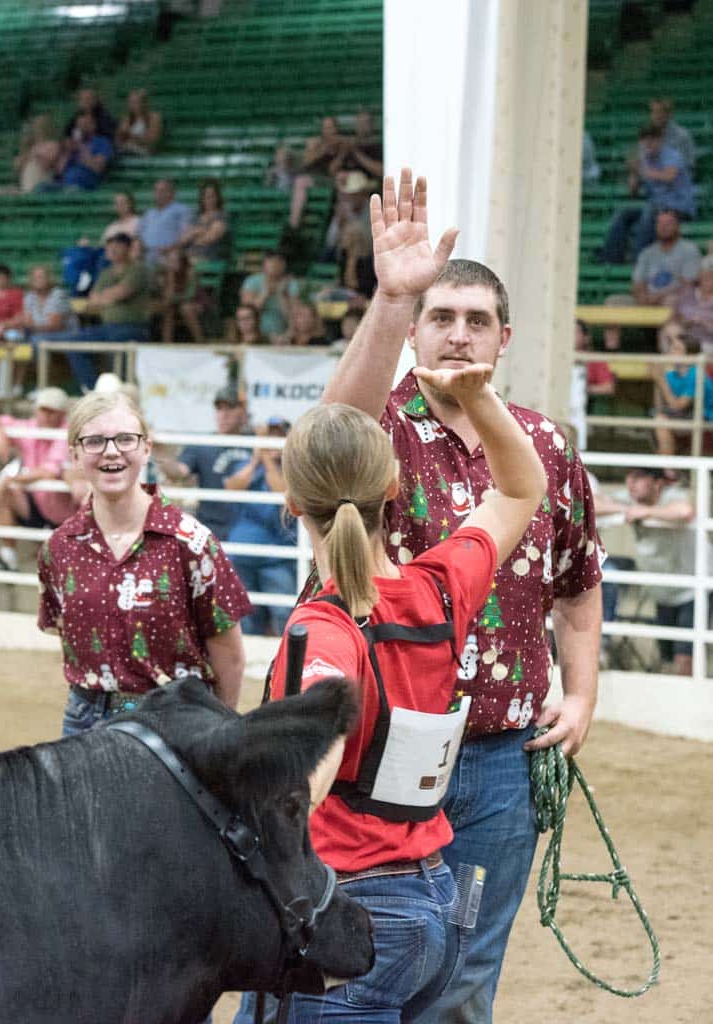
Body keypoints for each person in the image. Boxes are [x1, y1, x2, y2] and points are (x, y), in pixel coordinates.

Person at [322, 168, 603, 1023]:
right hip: (377, 752)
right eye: (438, 318)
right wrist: (389, 300)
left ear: (503, 336)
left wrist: (583, 692)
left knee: (468, 970)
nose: (456, 334)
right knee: (360, 959)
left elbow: (579, 583)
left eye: (475, 320)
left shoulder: (547, 446)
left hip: (500, 759)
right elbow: (329, 438)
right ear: (416, 333)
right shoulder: (384, 430)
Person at [236, 364, 546, 1022]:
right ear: (394, 486)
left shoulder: (321, 630)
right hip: (432, 895)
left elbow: (303, 785)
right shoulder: (438, 587)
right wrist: (478, 396)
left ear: (291, 504)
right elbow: (522, 488)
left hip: (348, 908)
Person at [37, 389, 252, 739]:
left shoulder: (191, 542)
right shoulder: (58, 548)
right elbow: (68, 634)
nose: (111, 451)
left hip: (175, 720)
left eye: (125, 439)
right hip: (85, 718)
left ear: (146, 448)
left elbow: (230, 656)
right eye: (94, 441)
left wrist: (221, 739)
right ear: (75, 454)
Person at [595, 468, 697, 675]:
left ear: (658, 483)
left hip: (691, 590)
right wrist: (626, 509)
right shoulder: (629, 498)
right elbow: (593, 503)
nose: (631, 483)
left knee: (684, 659)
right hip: (662, 591)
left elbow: (685, 511)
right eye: (629, 476)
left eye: (639, 477)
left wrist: (648, 512)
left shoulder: (671, 495)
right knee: (667, 658)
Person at [0, 387, 78, 571]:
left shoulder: (68, 432)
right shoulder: (29, 427)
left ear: (62, 414)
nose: (48, 416)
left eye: (53, 411)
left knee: (3, 487)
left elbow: (49, 471)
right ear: (36, 410)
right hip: (38, 506)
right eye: (44, 410)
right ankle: (7, 558)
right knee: (1, 492)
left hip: (65, 516)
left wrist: (10, 480)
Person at [51, 233, 149, 392]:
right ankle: (92, 390)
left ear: (128, 248)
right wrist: (108, 297)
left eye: (118, 246)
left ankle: (125, 392)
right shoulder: (106, 273)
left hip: (132, 327)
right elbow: (93, 300)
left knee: (119, 358)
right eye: (110, 246)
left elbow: (120, 293)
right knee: (73, 344)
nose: (112, 250)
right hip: (107, 327)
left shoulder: (138, 270)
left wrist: (106, 297)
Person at [226, 418, 297, 636]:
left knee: (283, 613)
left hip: (277, 558)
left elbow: (281, 491)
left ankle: (286, 662)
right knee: (244, 613)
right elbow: (232, 486)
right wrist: (257, 458)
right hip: (243, 554)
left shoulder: (293, 468)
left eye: (278, 436)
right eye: (269, 436)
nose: (273, 441)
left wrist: (265, 456)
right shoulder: (248, 464)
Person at [155, 384, 252, 543]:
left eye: (230, 408)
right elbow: (178, 472)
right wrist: (160, 453)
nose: (224, 414)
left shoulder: (257, 442)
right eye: (219, 409)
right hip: (212, 527)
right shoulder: (203, 444)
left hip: (248, 528)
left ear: (242, 412)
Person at [599, 124, 696, 264]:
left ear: (660, 140)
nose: (648, 143)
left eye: (652, 139)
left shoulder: (672, 155)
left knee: (649, 212)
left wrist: (642, 171)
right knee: (623, 213)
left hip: (679, 206)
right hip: (656, 205)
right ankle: (611, 258)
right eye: (645, 140)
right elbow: (633, 192)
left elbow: (669, 176)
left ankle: (638, 260)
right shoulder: (643, 158)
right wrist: (632, 173)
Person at [652, 333, 712, 455]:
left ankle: (667, 469)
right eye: (671, 347)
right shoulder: (671, 375)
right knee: (659, 418)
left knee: (661, 421)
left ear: (690, 355)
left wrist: (661, 381)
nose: (671, 351)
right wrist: (657, 382)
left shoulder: (696, 373)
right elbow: (659, 407)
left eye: (677, 349)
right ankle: (667, 468)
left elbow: (678, 406)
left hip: (705, 418)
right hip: (686, 416)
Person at [632, 209, 701, 306]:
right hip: (648, 299)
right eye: (660, 224)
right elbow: (638, 283)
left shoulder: (689, 249)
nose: (663, 227)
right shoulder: (647, 253)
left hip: (677, 299)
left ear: (677, 227)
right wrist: (643, 297)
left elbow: (688, 285)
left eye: (668, 223)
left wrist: (659, 297)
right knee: (615, 301)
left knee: (670, 301)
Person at [569, 318, 615, 451]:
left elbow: (608, 387)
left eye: (575, 332)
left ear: (585, 337)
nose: (570, 335)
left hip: (583, 410)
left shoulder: (594, 358)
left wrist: (585, 389)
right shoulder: (552, 356)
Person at [239, 250, 299, 339]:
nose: (274, 266)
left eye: (278, 263)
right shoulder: (251, 281)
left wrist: (281, 294)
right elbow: (247, 312)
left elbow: (294, 315)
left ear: (284, 265)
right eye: (271, 262)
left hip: (284, 333)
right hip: (255, 334)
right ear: (264, 265)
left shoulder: (291, 283)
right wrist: (265, 293)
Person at [173, 178, 229, 262]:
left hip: (210, 255)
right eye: (205, 196)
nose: (208, 199)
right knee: (171, 257)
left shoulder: (221, 216)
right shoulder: (196, 216)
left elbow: (210, 238)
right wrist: (199, 232)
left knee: (184, 262)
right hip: (189, 254)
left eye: (212, 196)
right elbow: (183, 239)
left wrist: (194, 234)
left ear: (218, 197)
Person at [137, 179, 192, 265]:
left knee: (172, 258)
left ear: (172, 193)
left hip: (168, 254)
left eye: (162, 191)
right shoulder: (149, 213)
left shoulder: (181, 210)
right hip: (146, 254)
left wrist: (169, 249)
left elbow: (186, 236)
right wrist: (140, 247)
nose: (158, 194)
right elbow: (138, 235)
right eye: (156, 191)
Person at [160, 249, 204, 343]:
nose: (171, 264)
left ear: (182, 261)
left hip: (196, 302)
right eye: (170, 261)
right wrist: (171, 280)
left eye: (174, 261)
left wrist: (172, 299)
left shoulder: (190, 272)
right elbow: (167, 295)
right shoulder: (168, 274)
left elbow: (190, 295)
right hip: (177, 303)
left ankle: (200, 341)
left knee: (186, 308)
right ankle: (166, 343)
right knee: (168, 310)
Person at [674, 253, 713, 353]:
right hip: (685, 343)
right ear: (700, 276)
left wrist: (705, 323)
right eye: (706, 276)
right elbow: (675, 320)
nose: (709, 280)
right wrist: (686, 322)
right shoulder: (687, 295)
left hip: (709, 344)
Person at [115, 88, 163, 156]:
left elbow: (152, 139)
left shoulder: (154, 118)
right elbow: (118, 138)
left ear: (143, 103)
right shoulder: (126, 119)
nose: (132, 105)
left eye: (135, 102)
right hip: (127, 148)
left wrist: (131, 136)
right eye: (130, 102)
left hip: (145, 150)